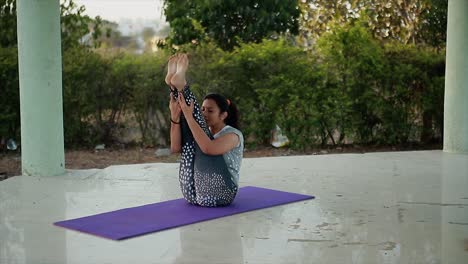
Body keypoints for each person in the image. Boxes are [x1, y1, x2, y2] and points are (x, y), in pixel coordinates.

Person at [166, 54, 244, 207]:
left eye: (210, 111)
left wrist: (189, 116)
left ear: (223, 115)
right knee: (192, 135)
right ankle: (176, 88)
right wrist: (175, 116)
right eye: (201, 109)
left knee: (197, 135)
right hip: (193, 193)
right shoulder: (203, 130)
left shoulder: (233, 135)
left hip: (221, 193)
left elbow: (208, 148)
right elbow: (175, 148)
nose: (203, 114)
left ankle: (181, 87)